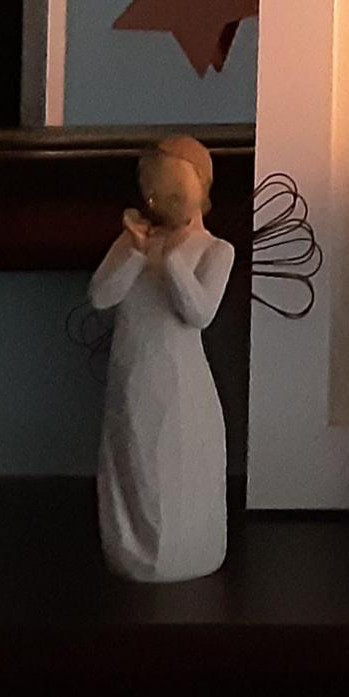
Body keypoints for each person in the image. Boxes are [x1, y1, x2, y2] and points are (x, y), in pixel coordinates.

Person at [88, 136, 235, 582]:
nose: (159, 200)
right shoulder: (133, 243)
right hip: (131, 379)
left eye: (173, 190)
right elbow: (100, 297)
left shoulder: (215, 251)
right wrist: (135, 252)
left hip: (179, 386)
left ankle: (188, 548)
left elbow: (200, 313)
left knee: (176, 467)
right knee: (134, 463)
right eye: (152, 189)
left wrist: (172, 263)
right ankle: (134, 550)